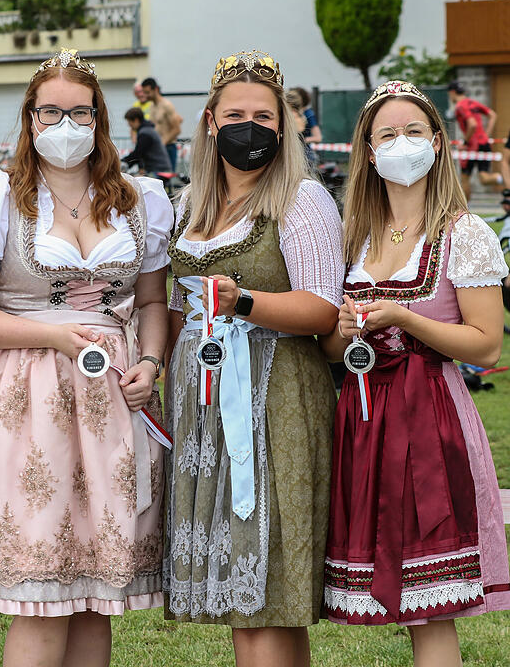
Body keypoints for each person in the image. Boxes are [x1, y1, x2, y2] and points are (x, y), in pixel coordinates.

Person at [0, 47, 173, 667]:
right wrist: (54, 337)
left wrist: (150, 361)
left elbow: (153, 301)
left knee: (98, 598)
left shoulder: (138, 198)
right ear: (29, 118)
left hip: (112, 397)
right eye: (51, 112)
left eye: (80, 112)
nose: (66, 125)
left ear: (100, 118)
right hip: (28, 394)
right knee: (42, 599)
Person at [163, 50, 343, 667]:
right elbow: (172, 307)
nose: (250, 127)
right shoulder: (189, 204)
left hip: (275, 395)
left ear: (284, 126)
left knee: (265, 592)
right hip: (205, 397)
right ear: (210, 122)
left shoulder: (302, 200)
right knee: (252, 602)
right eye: (236, 114)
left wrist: (244, 304)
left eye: (264, 116)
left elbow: (322, 309)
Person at [321, 80, 510, 663]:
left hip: (430, 418)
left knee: (430, 609)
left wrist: (404, 316)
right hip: (364, 417)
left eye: (413, 132)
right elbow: (329, 346)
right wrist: (345, 333)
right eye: (387, 134)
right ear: (368, 153)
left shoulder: (465, 232)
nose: (401, 144)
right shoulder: (352, 235)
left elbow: (485, 345)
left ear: (437, 142)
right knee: (405, 602)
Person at [447, 80, 502, 199]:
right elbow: (493, 115)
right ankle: (502, 178)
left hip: (472, 145)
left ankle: (466, 210)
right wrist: (486, 135)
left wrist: (465, 142)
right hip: (484, 143)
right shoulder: (472, 102)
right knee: (484, 178)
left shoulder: (460, 106)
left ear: (452, 92)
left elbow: (472, 124)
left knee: (465, 178)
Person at [141, 76, 183, 171]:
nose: (146, 96)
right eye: (144, 93)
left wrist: (161, 143)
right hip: (157, 149)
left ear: (155, 89)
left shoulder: (166, 105)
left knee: (166, 182)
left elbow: (177, 129)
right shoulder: (151, 106)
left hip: (168, 148)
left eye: (148, 92)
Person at [123, 106, 172, 175]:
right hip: (161, 168)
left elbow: (138, 153)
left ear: (136, 120)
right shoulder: (148, 130)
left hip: (158, 170)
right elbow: (142, 153)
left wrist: (123, 162)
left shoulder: (145, 133)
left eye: (129, 122)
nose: (129, 125)